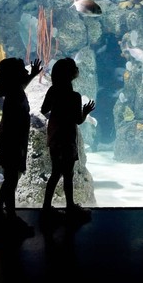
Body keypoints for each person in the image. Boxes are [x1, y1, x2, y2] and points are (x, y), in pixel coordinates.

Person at [0, 57, 43, 238]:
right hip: (12, 143)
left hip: (14, 142)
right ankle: (10, 217)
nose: (26, 72)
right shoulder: (14, 96)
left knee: (11, 177)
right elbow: (13, 124)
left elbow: (20, 87)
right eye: (23, 70)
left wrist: (33, 75)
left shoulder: (14, 91)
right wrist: (17, 147)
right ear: (14, 76)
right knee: (11, 179)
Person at [40, 57, 95, 225]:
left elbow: (44, 110)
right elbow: (78, 120)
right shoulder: (74, 96)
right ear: (71, 74)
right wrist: (85, 112)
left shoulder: (53, 90)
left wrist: (56, 119)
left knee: (56, 172)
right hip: (69, 138)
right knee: (68, 173)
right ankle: (70, 206)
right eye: (74, 68)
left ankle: (46, 206)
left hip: (55, 137)